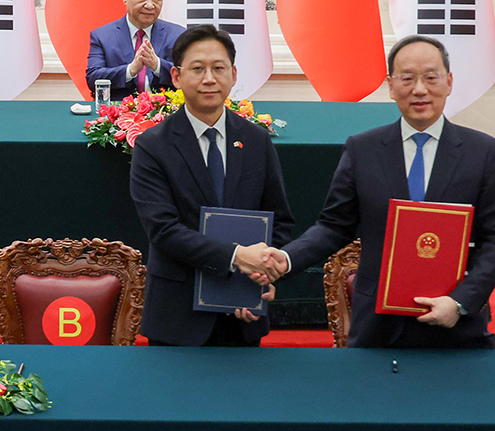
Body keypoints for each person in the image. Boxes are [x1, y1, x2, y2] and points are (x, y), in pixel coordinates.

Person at [252, 36, 495, 349]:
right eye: (407, 78)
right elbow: (333, 227)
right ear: (391, 86)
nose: (419, 89)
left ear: (449, 82)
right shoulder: (363, 149)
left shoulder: (482, 152)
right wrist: (286, 258)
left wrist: (460, 302)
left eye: (431, 77)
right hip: (378, 328)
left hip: (457, 328)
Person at [129, 24, 294, 346]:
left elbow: (280, 220)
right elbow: (163, 230)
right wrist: (237, 256)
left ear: (233, 75)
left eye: (218, 68)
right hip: (177, 316)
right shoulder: (153, 145)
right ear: (176, 77)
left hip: (244, 309)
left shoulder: (256, 140)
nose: (209, 79)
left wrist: (264, 274)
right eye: (197, 69)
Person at [86, 0, 186, 101]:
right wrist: (130, 70)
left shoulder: (178, 35)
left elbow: (189, 75)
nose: (150, 5)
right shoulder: (102, 36)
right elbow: (93, 79)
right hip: (119, 111)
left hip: (166, 110)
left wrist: (157, 65)